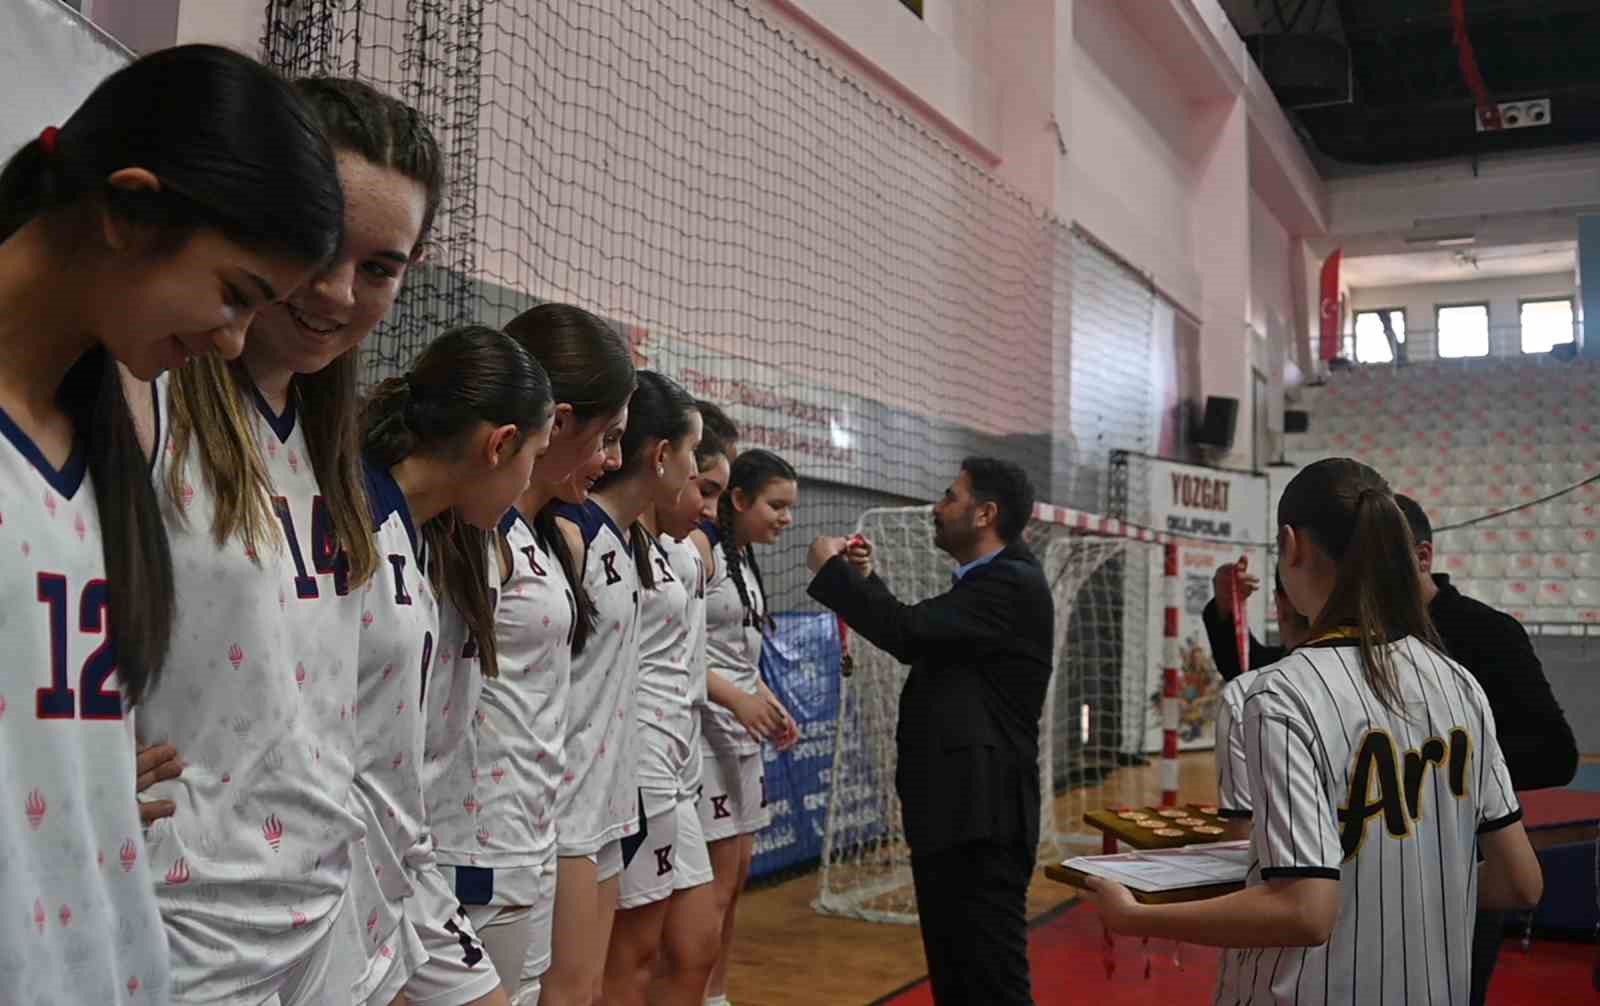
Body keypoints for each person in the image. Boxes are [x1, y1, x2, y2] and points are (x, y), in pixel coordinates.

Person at [0, 43, 344, 1004]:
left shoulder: (101, 438)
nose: (231, 340)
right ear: (131, 207)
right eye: (234, 294)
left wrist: (79, 768)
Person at [131, 70, 436, 1003]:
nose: (340, 291)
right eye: (318, 245)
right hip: (178, 935)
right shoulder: (144, 396)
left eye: (381, 267)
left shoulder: (328, 447)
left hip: (325, 925)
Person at [1085, 458, 1544, 1005]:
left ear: (1290, 544)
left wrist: (1138, 917)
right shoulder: (1458, 682)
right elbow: (1521, 882)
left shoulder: (1277, 694)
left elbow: (1304, 912)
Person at [430, 302, 636, 1005]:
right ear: (560, 421)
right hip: (471, 845)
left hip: (530, 836)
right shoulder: (466, 536)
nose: (612, 460)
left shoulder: (544, 538)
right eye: (607, 438)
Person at [806, 457, 1053, 1006]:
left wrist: (834, 575)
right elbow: (929, 632)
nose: (937, 510)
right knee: (959, 979)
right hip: (957, 816)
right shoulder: (987, 584)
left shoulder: (1010, 582)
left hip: (982, 820)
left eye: (949, 496)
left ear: (985, 513)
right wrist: (868, 583)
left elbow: (908, 632)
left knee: (990, 983)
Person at [355, 326, 554, 1006]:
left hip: (400, 866)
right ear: (500, 444)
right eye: (536, 454)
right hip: (335, 883)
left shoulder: (427, 539)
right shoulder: (354, 528)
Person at [700, 448, 802, 1006]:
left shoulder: (744, 562)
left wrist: (768, 702)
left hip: (740, 740)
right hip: (703, 740)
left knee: (735, 881)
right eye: (776, 506)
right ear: (737, 500)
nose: (786, 519)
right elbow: (677, 652)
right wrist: (738, 700)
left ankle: (718, 992)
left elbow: (739, 659)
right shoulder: (702, 553)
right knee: (712, 889)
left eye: (791, 508)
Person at [1213, 572, 1309, 823]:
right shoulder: (1400, 672)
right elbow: (1246, 665)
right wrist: (1227, 606)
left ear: (1280, 604)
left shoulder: (1248, 690)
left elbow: (1240, 829)